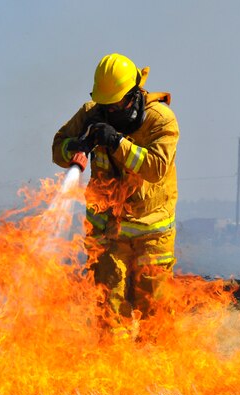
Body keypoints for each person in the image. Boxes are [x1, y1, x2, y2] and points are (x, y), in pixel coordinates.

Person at [51, 53, 180, 330]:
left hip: (152, 234)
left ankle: (154, 371)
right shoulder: (90, 113)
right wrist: (75, 146)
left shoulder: (161, 120)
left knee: (155, 319)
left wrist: (117, 142)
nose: (109, 112)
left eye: (116, 105)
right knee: (111, 317)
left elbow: (155, 168)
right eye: (105, 105)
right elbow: (58, 148)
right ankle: (113, 370)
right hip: (106, 233)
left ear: (134, 96)